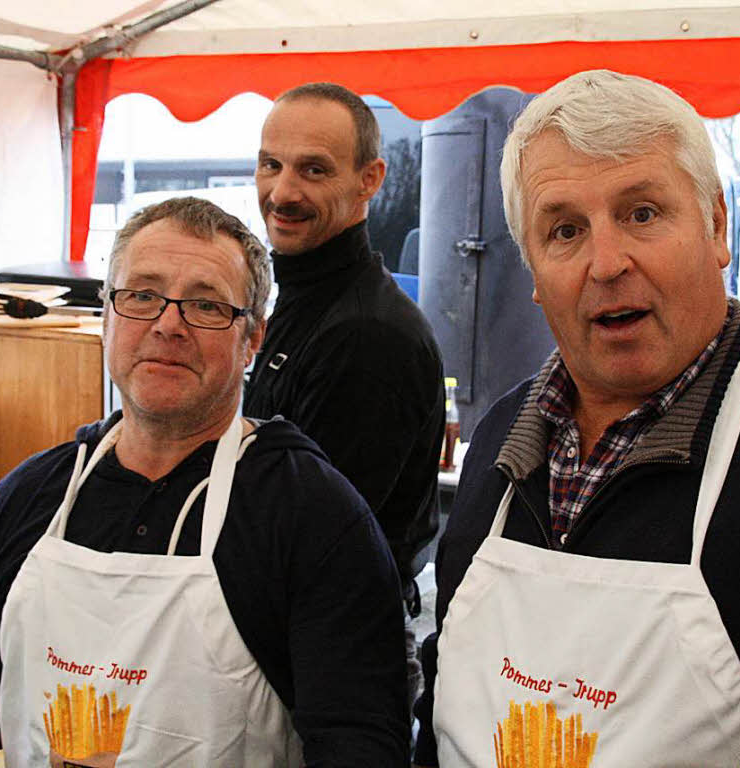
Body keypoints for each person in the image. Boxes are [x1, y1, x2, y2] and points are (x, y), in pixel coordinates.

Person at [413, 70, 740, 767]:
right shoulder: (500, 444)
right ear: (536, 276)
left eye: (641, 213)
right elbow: (444, 701)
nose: (606, 263)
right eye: (566, 230)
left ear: (717, 225)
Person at [0, 197, 410, 767]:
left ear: (253, 338)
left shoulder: (314, 518)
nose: (169, 325)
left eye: (207, 305)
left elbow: (360, 744)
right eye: (142, 295)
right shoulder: (31, 496)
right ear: (107, 313)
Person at [244, 82, 445, 710]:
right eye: (271, 164)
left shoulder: (365, 334)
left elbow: (311, 540)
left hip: (331, 659)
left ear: (370, 179)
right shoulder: (303, 301)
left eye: (313, 170)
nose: (282, 192)